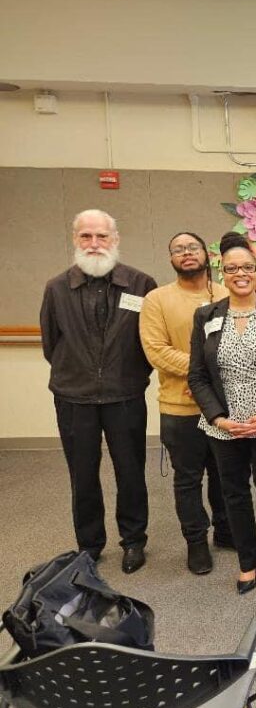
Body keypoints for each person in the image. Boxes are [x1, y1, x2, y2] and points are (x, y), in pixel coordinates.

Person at [40, 209, 157, 574]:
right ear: (75, 240)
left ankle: (134, 541)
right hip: (74, 397)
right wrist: (80, 373)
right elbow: (50, 343)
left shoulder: (141, 284)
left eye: (101, 236)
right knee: (83, 473)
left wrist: (130, 374)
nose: (94, 244)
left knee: (131, 471)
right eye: (86, 237)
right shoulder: (57, 287)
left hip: (125, 395)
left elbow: (150, 341)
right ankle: (89, 545)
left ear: (115, 239)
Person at [188, 232, 256, 600]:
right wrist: (218, 418)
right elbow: (198, 375)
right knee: (233, 494)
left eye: (246, 267)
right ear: (222, 270)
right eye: (232, 267)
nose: (240, 273)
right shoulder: (206, 315)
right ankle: (248, 562)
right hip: (224, 426)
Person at [140, 232, 233, 575]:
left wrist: (211, 382)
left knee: (226, 475)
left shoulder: (228, 293)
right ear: (171, 259)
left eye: (192, 247)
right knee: (188, 479)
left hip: (226, 407)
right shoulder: (156, 299)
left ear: (206, 254)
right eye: (177, 249)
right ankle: (196, 542)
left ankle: (226, 532)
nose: (186, 253)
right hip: (180, 408)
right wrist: (201, 375)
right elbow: (157, 351)